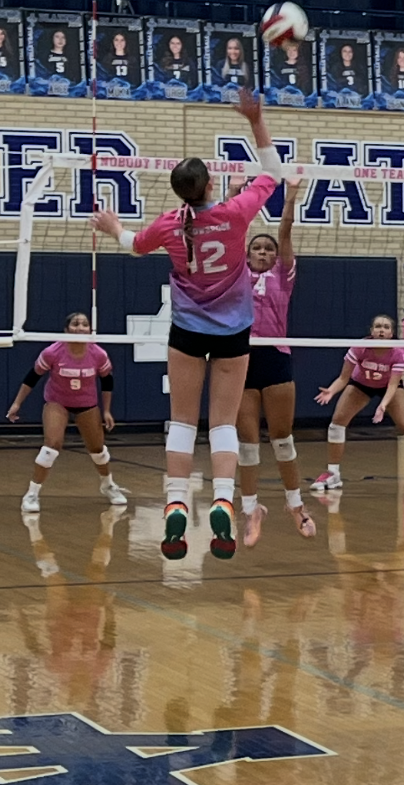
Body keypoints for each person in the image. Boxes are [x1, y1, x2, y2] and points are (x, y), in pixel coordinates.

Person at [91, 88, 282, 561]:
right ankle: (222, 499)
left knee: (181, 420)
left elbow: (135, 244)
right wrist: (255, 120)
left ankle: (177, 502)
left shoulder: (170, 224)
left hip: (187, 332)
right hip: (234, 332)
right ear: (211, 184)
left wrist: (113, 228)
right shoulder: (236, 214)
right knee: (223, 423)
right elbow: (274, 173)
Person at [235, 177, 315, 546]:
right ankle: (251, 510)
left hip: (276, 358)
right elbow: (232, 233)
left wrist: (291, 195)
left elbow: (285, 231)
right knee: (248, 444)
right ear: (248, 254)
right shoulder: (236, 274)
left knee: (282, 440)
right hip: (241, 358)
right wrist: (234, 193)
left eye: (269, 249)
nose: (264, 252)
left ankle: (295, 505)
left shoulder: (283, 276)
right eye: (257, 248)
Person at [6, 312, 128, 513]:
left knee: (98, 449)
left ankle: (108, 485)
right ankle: (32, 494)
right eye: (75, 324)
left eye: (84, 324)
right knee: (52, 446)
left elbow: (107, 381)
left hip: (87, 404)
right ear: (66, 329)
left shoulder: (98, 354)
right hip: (57, 402)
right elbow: (32, 377)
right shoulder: (53, 352)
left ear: (90, 330)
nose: (80, 328)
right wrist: (17, 404)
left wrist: (106, 411)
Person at [311, 314, 404, 492]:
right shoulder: (360, 347)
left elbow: (393, 385)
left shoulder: (397, 352)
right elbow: (343, 378)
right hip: (361, 384)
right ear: (371, 331)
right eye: (378, 326)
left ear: (391, 333)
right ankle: (333, 475)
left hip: (388, 386)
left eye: (386, 327)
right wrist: (331, 390)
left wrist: (383, 405)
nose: (381, 330)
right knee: (337, 423)